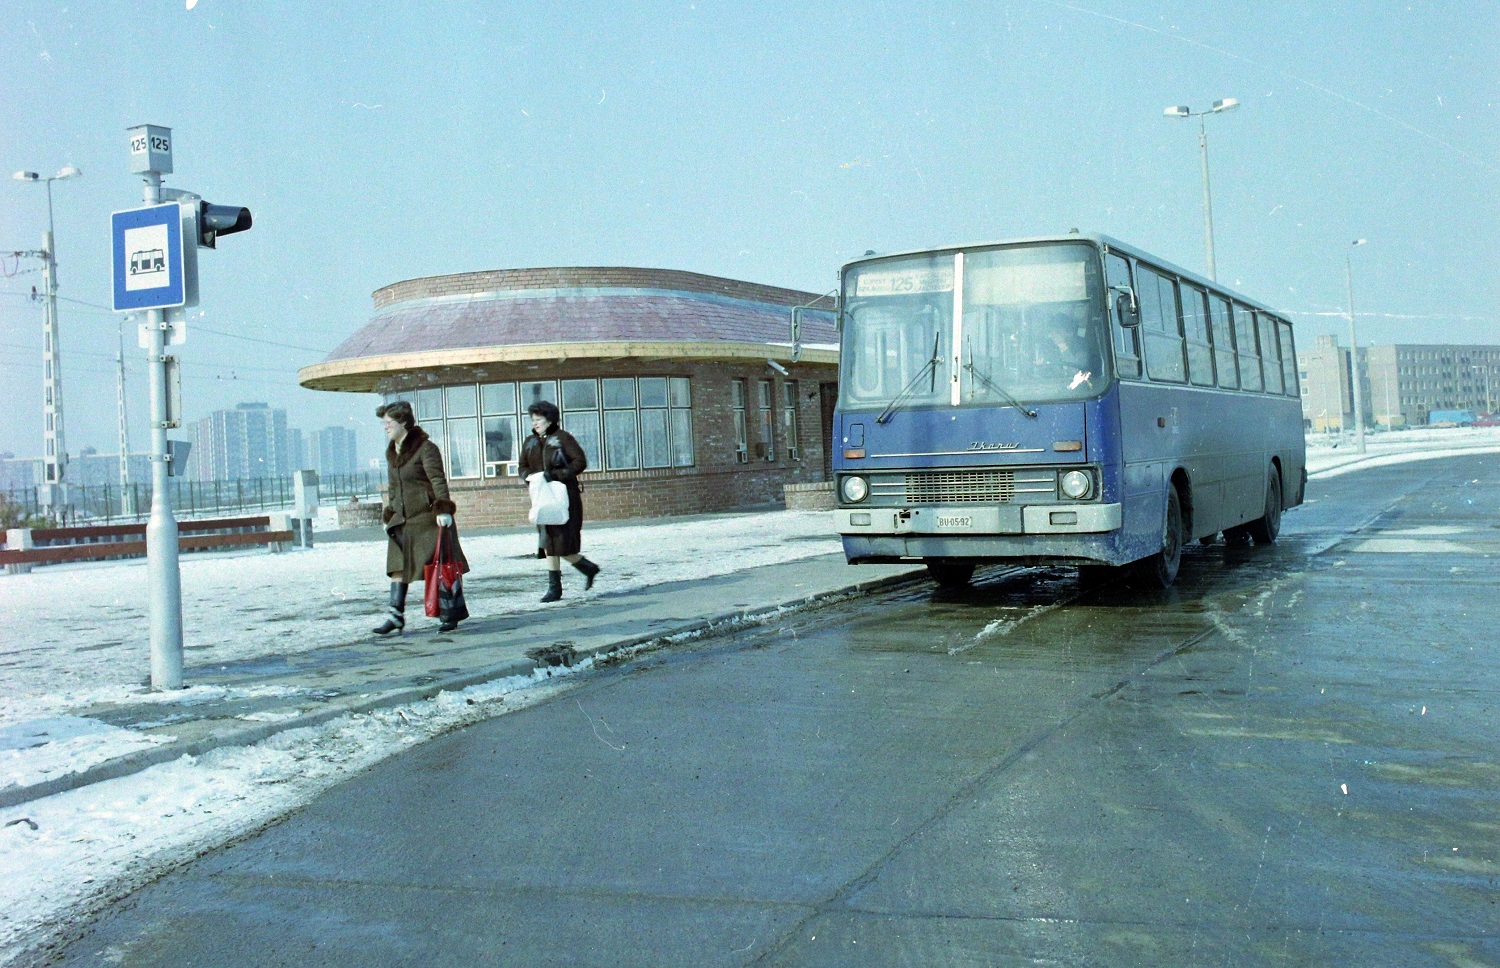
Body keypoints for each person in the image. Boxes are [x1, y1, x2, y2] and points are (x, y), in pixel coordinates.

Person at [372, 400, 470, 635]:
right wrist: (390, 512)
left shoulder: (426, 448)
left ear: (403, 422)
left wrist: (443, 509)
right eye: (384, 423)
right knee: (397, 567)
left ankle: (449, 613)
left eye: (389, 422)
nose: (385, 427)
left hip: (428, 520)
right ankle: (395, 617)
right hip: (402, 520)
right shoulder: (391, 451)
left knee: (437, 565)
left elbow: (437, 480)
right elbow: (394, 487)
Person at [518, 400, 599, 602]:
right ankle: (555, 588)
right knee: (548, 541)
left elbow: (579, 462)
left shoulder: (563, 438)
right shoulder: (530, 441)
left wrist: (556, 474)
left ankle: (587, 568)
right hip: (542, 497)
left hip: (564, 496)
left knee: (562, 543)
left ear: (550, 420)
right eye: (533, 419)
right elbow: (522, 466)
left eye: (539, 419)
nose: (535, 423)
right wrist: (529, 476)